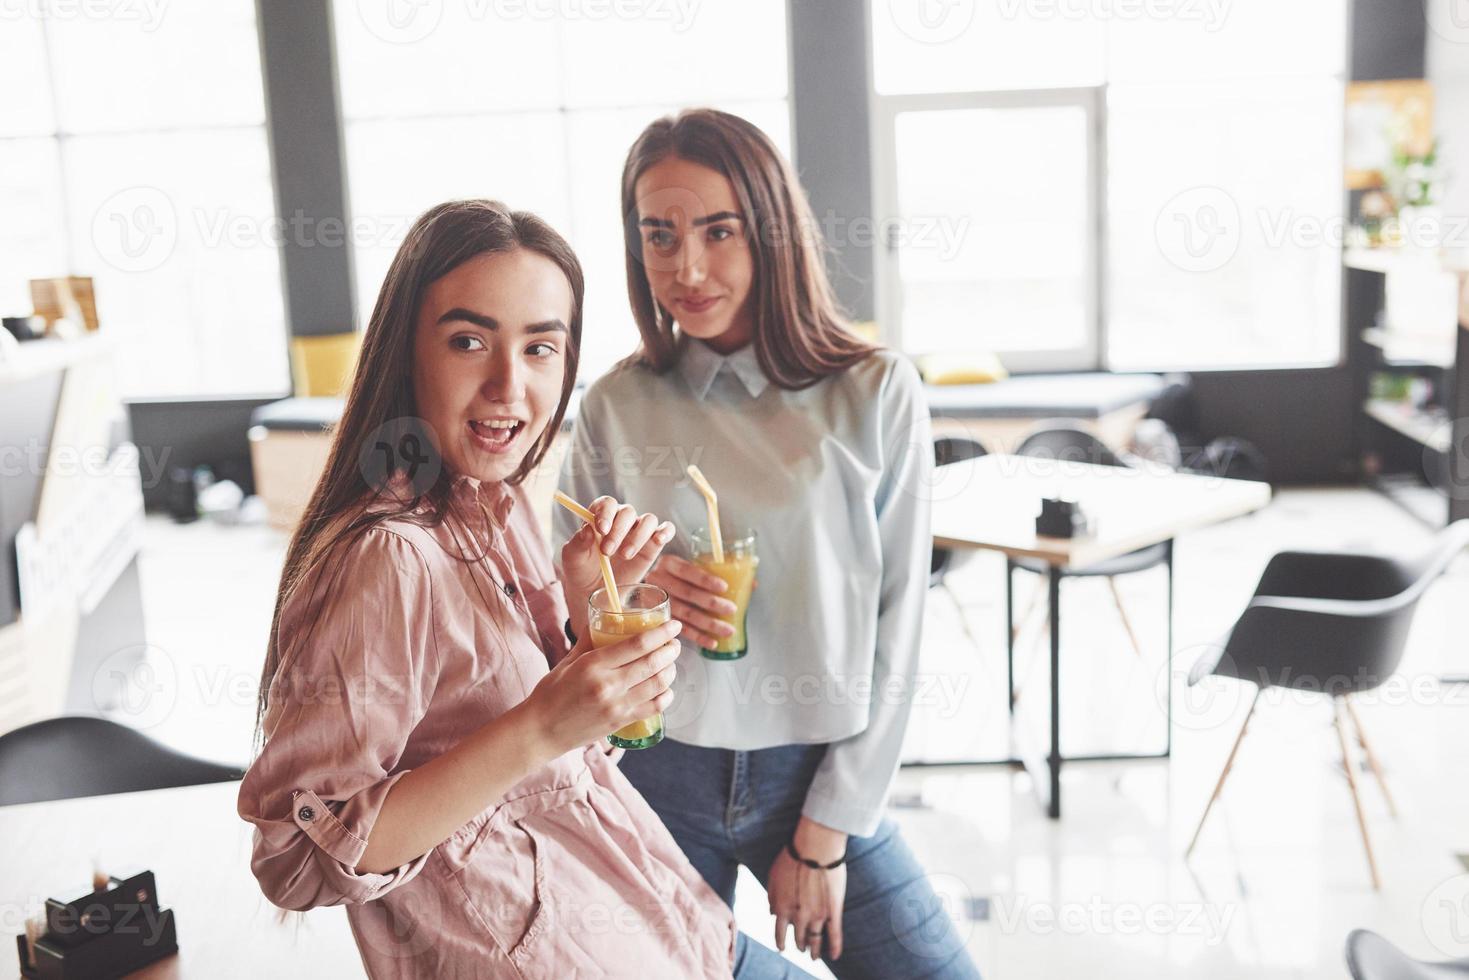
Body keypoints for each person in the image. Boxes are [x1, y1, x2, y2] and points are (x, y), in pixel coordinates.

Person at [238, 199, 813, 979]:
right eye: (469, 341)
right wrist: (544, 722)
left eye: (541, 348)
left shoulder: (490, 501)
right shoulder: (389, 560)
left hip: (671, 932)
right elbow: (298, 861)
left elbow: (562, 758)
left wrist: (586, 619)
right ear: (407, 352)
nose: (510, 385)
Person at [555, 110, 981, 978]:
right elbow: (568, 613)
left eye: (719, 230)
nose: (688, 267)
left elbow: (896, 626)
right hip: (655, 772)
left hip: (815, 775)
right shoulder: (614, 404)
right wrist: (629, 600)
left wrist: (824, 834)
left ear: (771, 231)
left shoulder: (875, 392)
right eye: (658, 235)